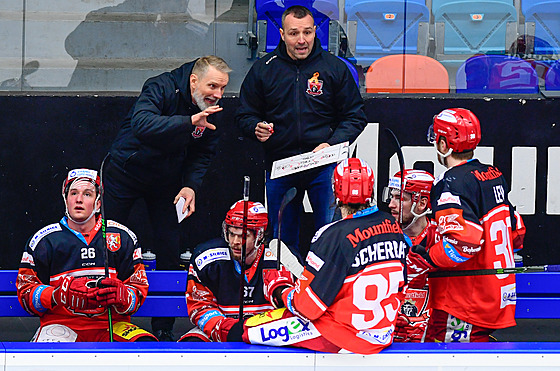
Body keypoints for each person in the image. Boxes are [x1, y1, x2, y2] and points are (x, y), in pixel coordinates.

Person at [103, 55, 231, 341]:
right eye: (213, 86)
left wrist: (190, 187)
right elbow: (142, 124)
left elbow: (203, 153)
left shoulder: (212, 106)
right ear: (194, 80)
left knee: (170, 248)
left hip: (166, 181)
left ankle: (164, 325)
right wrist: (187, 122)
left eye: (222, 88)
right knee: (109, 243)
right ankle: (105, 317)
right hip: (125, 172)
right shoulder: (161, 86)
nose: (218, 94)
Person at [236, 5, 367, 256]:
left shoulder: (334, 68)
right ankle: (284, 291)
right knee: (281, 241)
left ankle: (328, 290)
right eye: (294, 33)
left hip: (325, 166)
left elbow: (355, 116)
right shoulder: (264, 69)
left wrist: (332, 144)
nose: (302, 40)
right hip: (281, 165)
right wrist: (255, 128)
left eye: (307, 32)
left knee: (331, 235)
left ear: (316, 31)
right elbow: (243, 115)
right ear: (282, 34)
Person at [240, 158, 408, 354]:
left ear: (336, 191)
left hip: (343, 337)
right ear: (370, 190)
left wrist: (280, 289)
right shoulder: (392, 226)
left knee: (247, 329)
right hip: (383, 334)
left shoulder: (331, 234)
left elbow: (307, 308)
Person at [418, 108, 526, 342]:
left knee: (450, 359)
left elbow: (463, 244)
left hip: (466, 300)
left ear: (444, 144)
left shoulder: (451, 183)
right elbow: (517, 232)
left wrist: (427, 258)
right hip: (497, 291)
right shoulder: (493, 174)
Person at [16, 168, 155, 342]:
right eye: (73, 193)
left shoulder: (123, 237)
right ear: (66, 199)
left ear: (98, 203)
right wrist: (56, 295)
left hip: (112, 325)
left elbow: (138, 288)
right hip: (61, 324)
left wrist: (124, 296)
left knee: (145, 348)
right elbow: (26, 294)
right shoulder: (43, 240)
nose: (79, 199)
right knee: (48, 356)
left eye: (87, 194)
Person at [178, 200, 276, 342]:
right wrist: (226, 328)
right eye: (231, 234)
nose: (235, 242)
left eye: (243, 236)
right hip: (221, 326)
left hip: (266, 331)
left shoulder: (279, 259)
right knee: (189, 346)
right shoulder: (207, 259)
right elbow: (199, 306)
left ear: (259, 236)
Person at [383, 169, 437, 342]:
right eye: (391, 196)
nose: (391, 204)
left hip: (430, 335)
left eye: (399, 198)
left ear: (421, 203)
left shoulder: (443, 238)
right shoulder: (380, 236)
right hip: (386, 333)